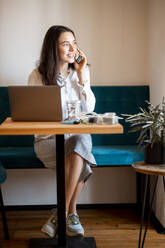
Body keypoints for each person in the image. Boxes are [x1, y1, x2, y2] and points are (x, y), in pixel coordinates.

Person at [28, 25, 96, 238]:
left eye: (74, 43)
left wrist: (82, 77)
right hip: (47, 140)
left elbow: (90, 110)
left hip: (76, 137)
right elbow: (32, 111)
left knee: (81, 142)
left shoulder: (81, 72)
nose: (72, 49)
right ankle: (72, 212)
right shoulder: (37, 75)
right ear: (52, 47)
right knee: (83, 157)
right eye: (66, 44)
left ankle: (61, 212)